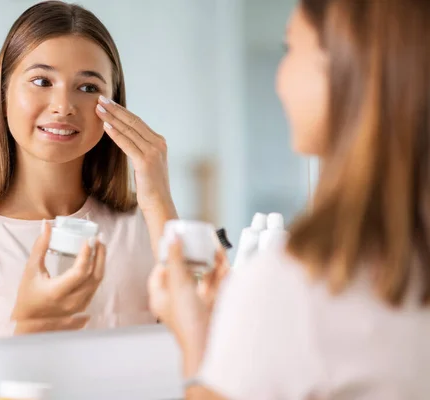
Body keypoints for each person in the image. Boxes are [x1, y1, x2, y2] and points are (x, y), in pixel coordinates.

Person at [149, 0, 430, 398]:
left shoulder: (298, 285)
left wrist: (196, 340)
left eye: (291, 50)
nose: (279, 77)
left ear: (343, 71)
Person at [0, 0, 178, 337]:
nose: (63, 106)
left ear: (114, 105)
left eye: (89, 88)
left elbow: (207, 348)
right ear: (2, 93)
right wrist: (28, 325)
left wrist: (159, 200)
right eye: (42, 81)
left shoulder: (146, 228)